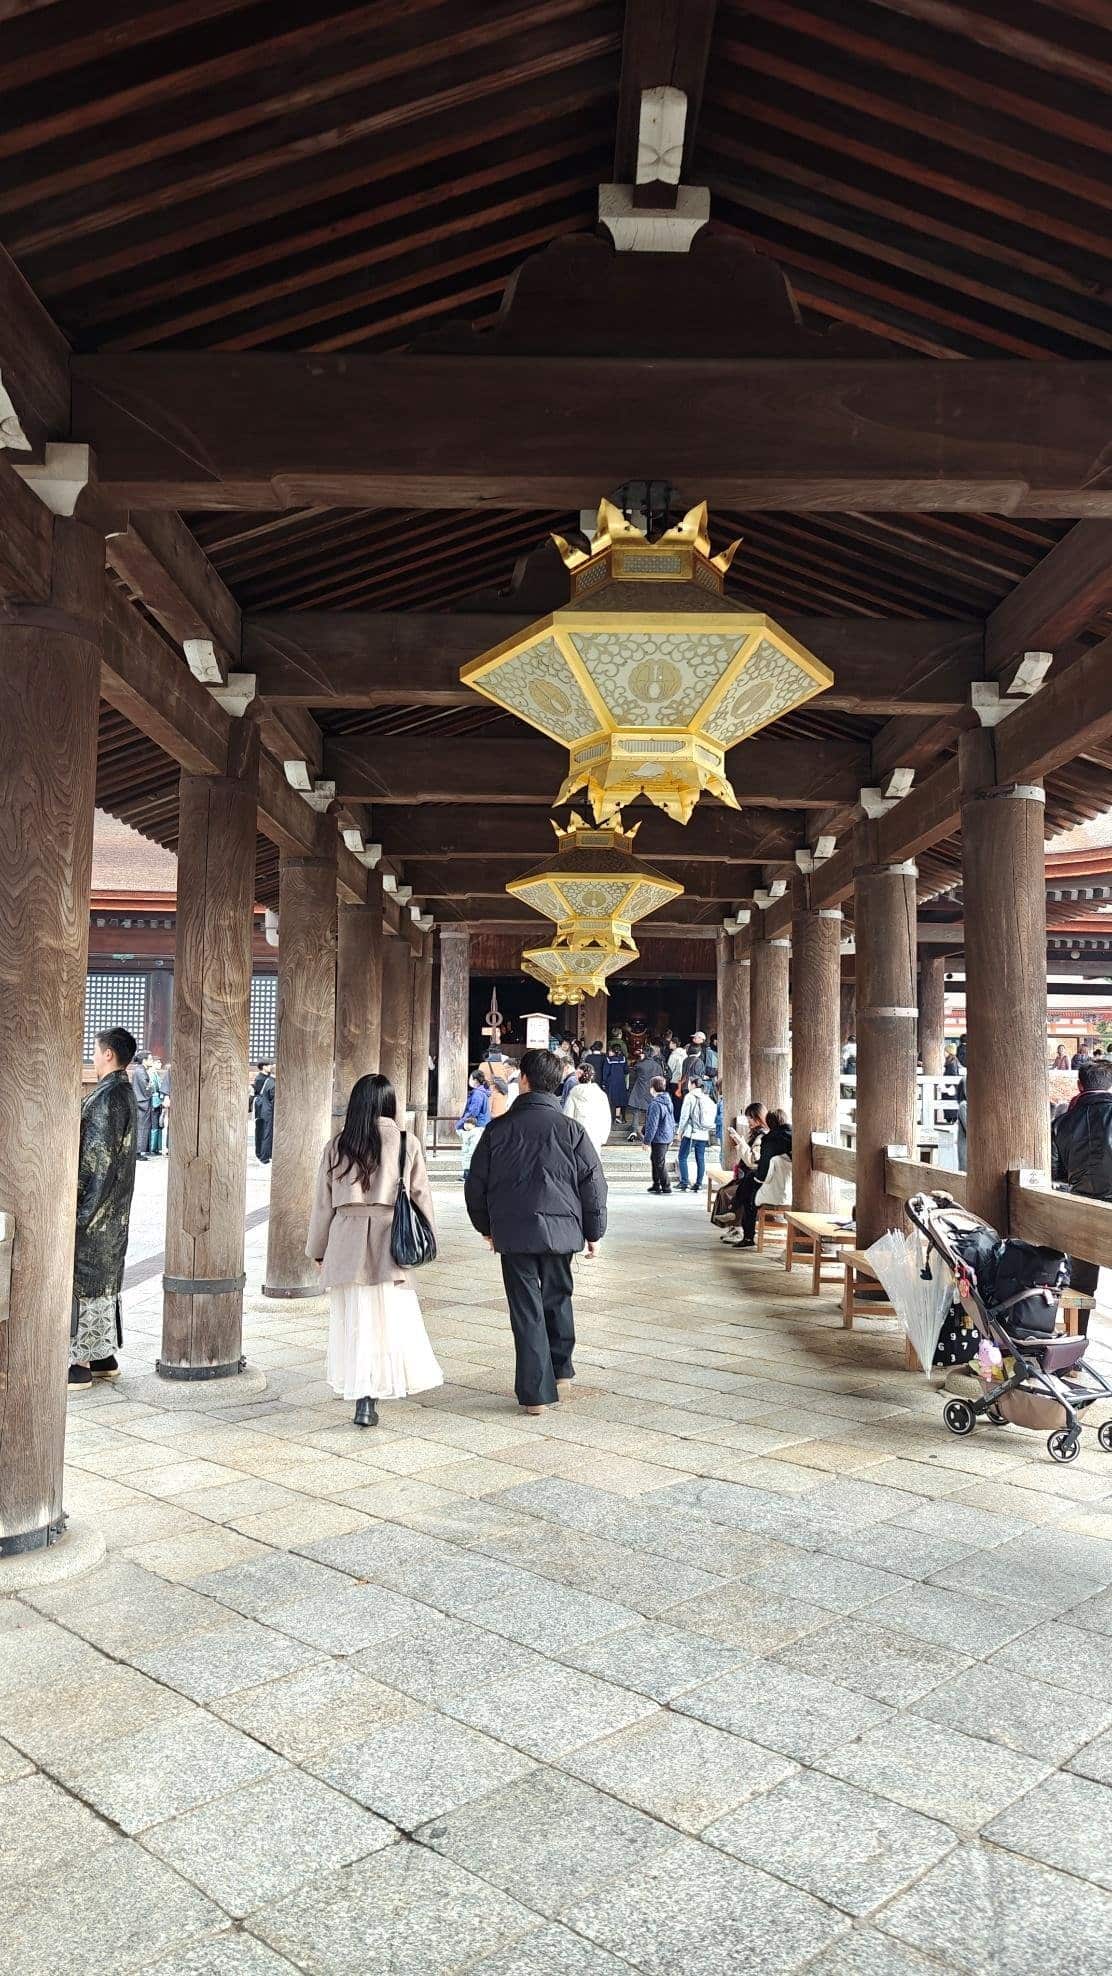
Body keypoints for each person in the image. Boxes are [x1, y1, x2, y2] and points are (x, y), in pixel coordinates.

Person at [466, 1048, 606, 1415]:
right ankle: (561, 1370)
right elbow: (592, 1185)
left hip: (514, 1231)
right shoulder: (571, 1130)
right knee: (558, 1297)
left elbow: (476, 1183)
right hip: (562, 1230)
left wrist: (486, 1226)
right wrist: (594, 1231)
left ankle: (535, 1394)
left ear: (523, 1081)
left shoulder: (499, 1129)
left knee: (526, 1308)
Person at [307, 1072, 442, 1428]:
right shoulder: (405, 1142)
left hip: (346, 1238)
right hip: (389, 1239)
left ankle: (361, 1398)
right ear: (389, 1104)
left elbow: (323, 1204)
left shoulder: (337, 1145)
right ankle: (376, 1391)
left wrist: (318, 1249)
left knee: (354, 1319)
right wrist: (428, 1237)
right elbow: (420, 1196)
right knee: (387, 1320)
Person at [70, 1027, 139, 1390]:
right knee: (105, 1280)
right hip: (115, 1210)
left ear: (109, 1054)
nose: (93, 1059)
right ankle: (102, 1356)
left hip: (95, 1211)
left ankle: (79, 1362)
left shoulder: (104, 1099)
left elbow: (95, 1163)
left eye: (95, 1052)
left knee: (81, 1280)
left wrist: (78, 1213)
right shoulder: (122, 1092)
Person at [1052, 1058, 1112, 1331]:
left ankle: (1073, 1352)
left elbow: (1056, 1171)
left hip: (1082, 1209)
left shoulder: (1063, 1122)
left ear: (1079, 1085)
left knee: (1081, 1284)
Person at [723, 1108, 793, 1248]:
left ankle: (746, 1233)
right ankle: (734, 1209)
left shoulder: (770, 1140)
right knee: (748, 1180)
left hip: (774, 1186)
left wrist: (756, 1179)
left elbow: (762, 1174)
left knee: (750, 1197)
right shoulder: (794, 1136)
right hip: (791, 1186)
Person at [676, 1073, 717, 1193]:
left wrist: (679, 1132)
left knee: (682, 1156)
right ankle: (698, 1184)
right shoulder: (706, 1097)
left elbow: (684, 1116)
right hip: (703, 1133)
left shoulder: (690, 1096)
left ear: (693, 1084)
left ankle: (684, 1182)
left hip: (691, 1132)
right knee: (700, 1158)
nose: (688, 1085)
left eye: (689, 1083)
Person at [563, 1062, 612, 1156]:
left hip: (578, 1134)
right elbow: (606, 1117)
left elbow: (568, 1116)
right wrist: (603, 1136)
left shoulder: (574, 1093)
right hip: (596, 1134)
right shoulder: (601, 1094)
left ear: (579, 1075)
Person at [643, 1075, 676, 1195]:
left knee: (659, 1162)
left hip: (659, 1137)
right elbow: (672, 1119)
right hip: (667, 1135)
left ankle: (666, 1186)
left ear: (653, 1088)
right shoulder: (668, 1100)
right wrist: (673, 1134)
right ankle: (656, 1184)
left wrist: (646, 1141)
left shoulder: (656, 1104)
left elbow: (652, 1124)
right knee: (656, 1159)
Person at [457, 1071, 491, 1181]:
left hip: (475, 1126)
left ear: (475, 1080)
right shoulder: (482, 1092)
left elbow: (474, 1111)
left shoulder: (477, 1093)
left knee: (470, 1150)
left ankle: (469, 1174)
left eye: (470, 1078)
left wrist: (461, 1123)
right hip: (481, 1125)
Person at [626, 1045, 662, 1142]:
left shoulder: (639, 1065)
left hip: (639, 1089)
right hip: (652, 1090)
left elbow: (633, 1077)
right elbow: (660, 1078)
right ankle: (647, 1132)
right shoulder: (657, 1066)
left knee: (636, 1112)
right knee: (649, 1113)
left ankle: (633, 1131)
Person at [132, 1051, 152, 1161]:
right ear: (144, 1060)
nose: (152, 1061)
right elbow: (147, 1087)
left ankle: (138, 1151)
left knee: (141, 1127)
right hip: (141, 1103)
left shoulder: (140, 1070)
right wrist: (152, 1089)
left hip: (140, 1102)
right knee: (141, 1127)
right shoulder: (140, 1072)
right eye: (150, 1059)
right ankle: (138, 1152)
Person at [602, 1039, 628, 1121]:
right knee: (620, 1099)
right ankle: (618, 1116)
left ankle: (611, 1117)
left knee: (611, 1099)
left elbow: (605, 1071)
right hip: (621, 1081)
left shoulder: (608, 1060)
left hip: (611, 1081)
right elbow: (626, 1070)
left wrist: (604, 1081)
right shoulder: (623, 1059)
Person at [255, 1064, 276, 1163]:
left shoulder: (268, 1080)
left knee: (264, 1133)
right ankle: (264, 1158)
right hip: (268, 1112)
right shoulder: (273, 1083)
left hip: (264, 1110)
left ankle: (265, 1154)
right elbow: (273, 1098)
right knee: (267, 1135)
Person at [252, 1062, 270, 1159]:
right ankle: (259, 1153)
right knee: (260, 1130)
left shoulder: (267, 1077)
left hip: (264, 1107)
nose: (270, 1067)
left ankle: (263, 1153)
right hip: (261, 1108)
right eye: (268, 1065)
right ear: (263, 1067)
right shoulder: (260, 1079)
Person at [148, 1058, 165, 1154]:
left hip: (157, 1100)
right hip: (154, 1101)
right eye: (158, 1062)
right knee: (154, 1124)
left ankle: (155, 1147)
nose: (160, 1064)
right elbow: (154, 1088)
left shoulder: (155, 1073)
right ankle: (153, 1148)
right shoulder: (151, 1073)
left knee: (157, 1124)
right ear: (154, 1063)